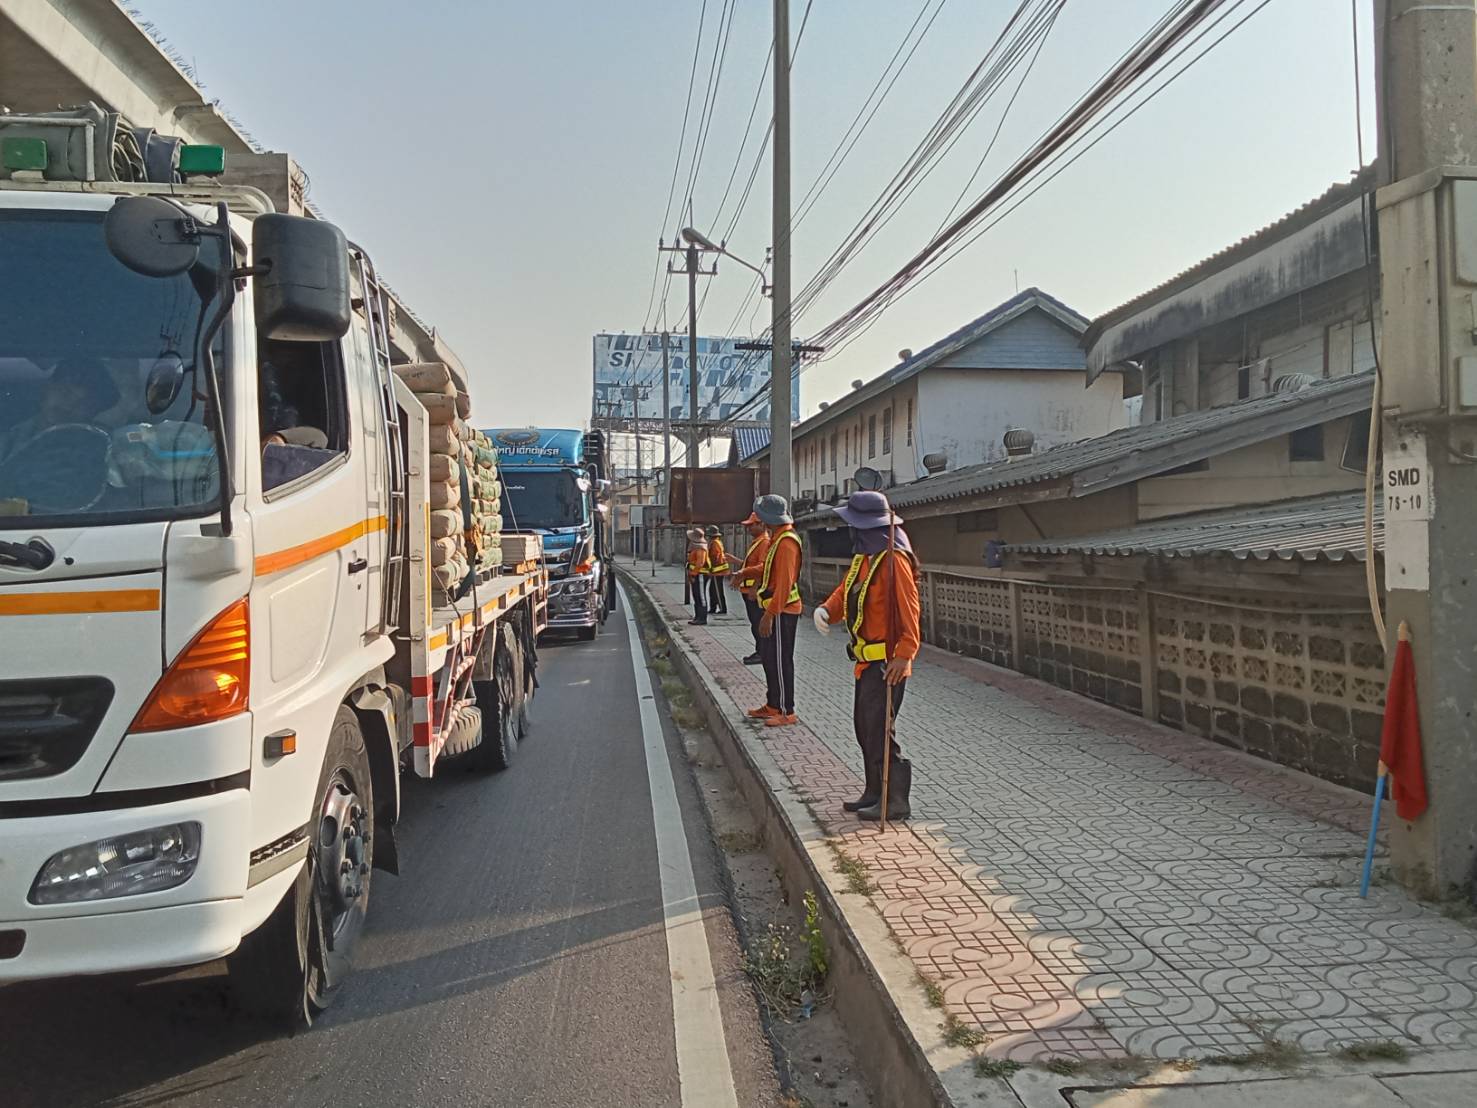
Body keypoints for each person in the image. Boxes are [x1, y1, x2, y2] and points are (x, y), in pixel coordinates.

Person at [815, 490, 920, 822]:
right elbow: (845, 591)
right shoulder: (865, 559)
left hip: (887, 664)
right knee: (865, 728)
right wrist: (826, 611)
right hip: (865, 663)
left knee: (880, 730)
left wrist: (905, 655)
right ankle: (874, 791)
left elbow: (910, 610)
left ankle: (895, 801)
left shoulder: (895, 560)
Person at [0, 357, 119, 464]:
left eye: (83, 404)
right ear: (47, 388)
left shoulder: (101, 452)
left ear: (93, 412)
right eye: (65, 393)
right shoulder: (7, 441)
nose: (69, 406)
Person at [750, 494, 803, 728]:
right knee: (770, 659)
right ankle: (772, 703)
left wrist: (770, 615)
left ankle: (785, 709)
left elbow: (784, 583)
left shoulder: (787, 542)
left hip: (783, 612)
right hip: (773, 608)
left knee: (781, 661)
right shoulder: (777, 539)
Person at [735, 511, 769, 666]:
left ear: (761, 524)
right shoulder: (757, 541)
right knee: (754, 623)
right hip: (747, 590)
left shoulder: (764, 543)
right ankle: (760, 651)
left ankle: (763, 653)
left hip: (754, 591)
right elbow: (750, 566)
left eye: (751, 525)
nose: (749, 528)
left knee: (757, 623)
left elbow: (762, 568)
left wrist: (754, 587)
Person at [685, 527, 710, 626]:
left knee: (701, 596)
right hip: (696, 575)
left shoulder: (701, 548)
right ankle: (697, 616)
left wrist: (693, 573)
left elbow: (700, 563)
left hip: (700, 575)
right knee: (696, 596)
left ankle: (702, 617)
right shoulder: (696, 547)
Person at [705, 525, 730, 615]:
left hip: (717, 571)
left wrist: (711, 569)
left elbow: (715, 557)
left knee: (717, 590)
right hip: (718, 570)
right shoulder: (717, 542)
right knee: (713, 590)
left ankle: (722, 609)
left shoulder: (715, 543)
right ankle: (713, 608)